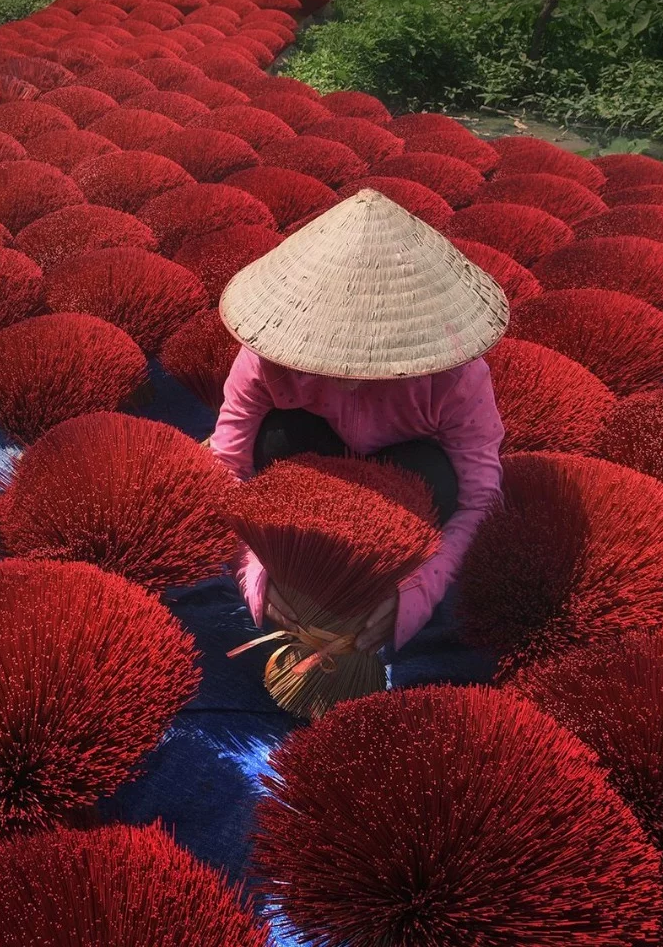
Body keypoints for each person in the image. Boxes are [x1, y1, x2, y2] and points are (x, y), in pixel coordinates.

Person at [208, 188, 508, 660]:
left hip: (402, 502)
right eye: (327, 356)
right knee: (276, 438)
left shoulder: (455, 380)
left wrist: (413, 594)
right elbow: (225, 468)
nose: (346, 379)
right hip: (301, 498)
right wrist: (256, 570)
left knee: (437, 480)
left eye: (368, 362)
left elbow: (480, 501)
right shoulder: (264, 359)